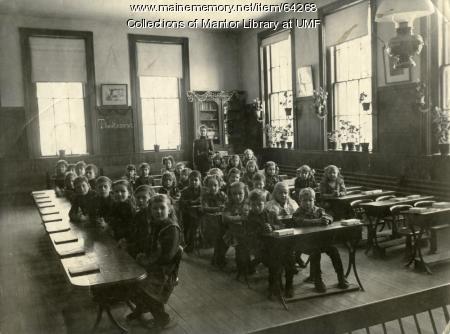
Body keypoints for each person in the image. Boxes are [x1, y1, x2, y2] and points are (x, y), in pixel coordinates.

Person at [127, 194, 181, 329]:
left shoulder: (171, 228)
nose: (158, 211)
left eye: (162, 208)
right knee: (130, 283)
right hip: (154, 265)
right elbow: (147, 244)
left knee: (146, 289)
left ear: (169, 209)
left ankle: (162, 318)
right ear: (150, 210)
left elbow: (166, 257)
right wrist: (131, 247)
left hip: (165, 271)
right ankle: (140, 309)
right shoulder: (155, 224)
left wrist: (145, 261)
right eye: (154, 209)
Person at [292, 188, 349, 293]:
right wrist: (317, 221)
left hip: (319, 241)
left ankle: (341, 277)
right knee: (316, 252)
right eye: (304, 200)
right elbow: (300, 222)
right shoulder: (298, 212)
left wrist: (327, 220)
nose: (308, 203)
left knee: (334, 250)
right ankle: (318, 281)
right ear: (300, 201)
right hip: (304, 243)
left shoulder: (318, 210)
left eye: (310, 200)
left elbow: (329, 216)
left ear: (314, 200)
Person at [218, 181, 249, 269]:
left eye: (240, 193)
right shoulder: (229, 204)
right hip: (232, 231)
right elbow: (225, 218)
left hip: (246, 231)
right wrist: (240, 218)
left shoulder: (247, 204)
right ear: (230, 195)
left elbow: (248, 217)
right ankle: (220, 259)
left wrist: (233, 218)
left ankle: (246, 266)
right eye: (234, 194)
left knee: (244, 248)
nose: (237, 196)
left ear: (245, 193)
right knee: (229, 242)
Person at [201, 174, 228, 250]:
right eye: (210, 186)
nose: (213, 188)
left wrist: (224, 206)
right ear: (206, 186)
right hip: (209, 218)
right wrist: (218, 208)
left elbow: (228, 203)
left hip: (221, 218)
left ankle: (222, 243)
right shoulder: (205, 196)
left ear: (219, 186)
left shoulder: (222, 194)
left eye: (215, 185)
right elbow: (204, 208)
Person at [128, 185, 155, 258]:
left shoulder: (154, 216)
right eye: (138, 198)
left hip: (150, 251)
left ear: (151, 198)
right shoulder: (138, 215)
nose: (140, 200)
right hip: (140, 248)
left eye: (144, 197)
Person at [179, 170, 202, 253]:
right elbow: (182, 202)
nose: (194, 182)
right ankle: (189, 244)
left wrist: (200, 201)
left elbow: (205, 200)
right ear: (189, 181)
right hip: (187, 214)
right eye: (191, 180)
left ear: (200, 180)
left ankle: (198, 243)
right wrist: (191, 202)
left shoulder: (203, 190)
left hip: (199, 213)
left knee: (197, 228)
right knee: (187, 229)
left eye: (196, 180)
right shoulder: (185, 191)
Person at [110, 179, 135, 250]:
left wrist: (125, 239)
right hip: (118, 236)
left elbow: (131, 227)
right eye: (116, 192)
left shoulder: (129, 206)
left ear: (129, 193)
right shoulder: (115, 204)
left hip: (127, 239)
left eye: (123, 191)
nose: (119, 194)